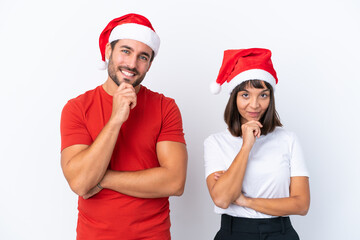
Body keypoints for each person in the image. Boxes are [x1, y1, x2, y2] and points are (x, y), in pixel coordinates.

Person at [60, 13, 188, 240]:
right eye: (126, 51)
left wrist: (102, 179)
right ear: (109, 51)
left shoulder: (165, 107)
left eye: (143, 57)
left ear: (149, 64)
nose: (132, 64)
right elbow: (80, 183)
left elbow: (174, 182)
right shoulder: (77, 108)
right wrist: (116, 119)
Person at [204, 48, 310, 240]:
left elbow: (301, 205)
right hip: (234, 233)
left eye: (263, 95)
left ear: (271, 98)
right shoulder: (216, 142)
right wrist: (246, 146)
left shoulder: (288, 140)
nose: (254, 104)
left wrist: (246, 201)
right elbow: (221, 199)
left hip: (281, 233)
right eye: (245, 95)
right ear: (234, 97)